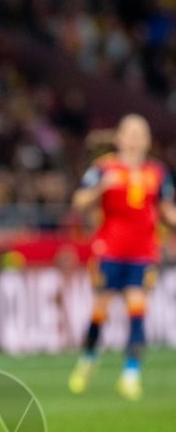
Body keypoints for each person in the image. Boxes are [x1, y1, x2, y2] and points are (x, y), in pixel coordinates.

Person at [68, 114, 176, 400]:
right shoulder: (104, 169)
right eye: (130, 132)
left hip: (143, 252)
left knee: (137, 307)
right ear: (119, 138)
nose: (135, 138)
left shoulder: (158, 173)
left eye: (141, 133)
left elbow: (167, 210)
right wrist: (102, 188)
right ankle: (89, 357)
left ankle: (131, 373)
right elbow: (78, 201)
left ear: (148, 140)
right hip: (109, 249)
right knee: (101, 306)